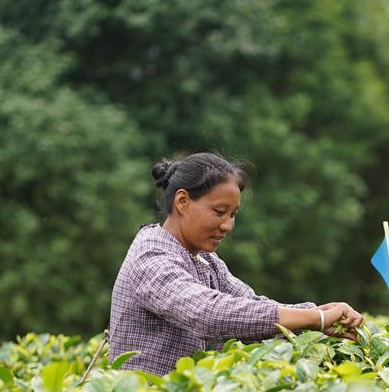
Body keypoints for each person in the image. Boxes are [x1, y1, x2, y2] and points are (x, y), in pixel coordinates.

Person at [108, 152, 364, 375]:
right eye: (219, 212)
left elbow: (252, 308)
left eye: (233, 215)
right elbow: (208, 313)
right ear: (182, 201)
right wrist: (315, 318)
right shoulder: (151, 255)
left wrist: (320, 314)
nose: (227, 226)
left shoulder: (205, 260)